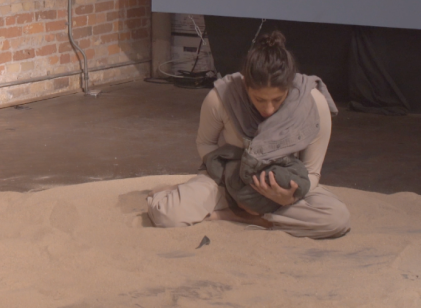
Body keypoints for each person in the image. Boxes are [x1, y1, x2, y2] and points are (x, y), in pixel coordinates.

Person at [146, 31, 351, 239]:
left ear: (289, 86)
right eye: (260, 99)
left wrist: (287, 197)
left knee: (336, 219)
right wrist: (235, 183)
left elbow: (311, 172)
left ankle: (245, 217)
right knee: (167, 215)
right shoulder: (221, 98)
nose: (269, 109)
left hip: (285, 187)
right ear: (245, 85)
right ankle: (229, 205)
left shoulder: (313, 104)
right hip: (229, 180)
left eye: (278, 100)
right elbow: (205, 144)